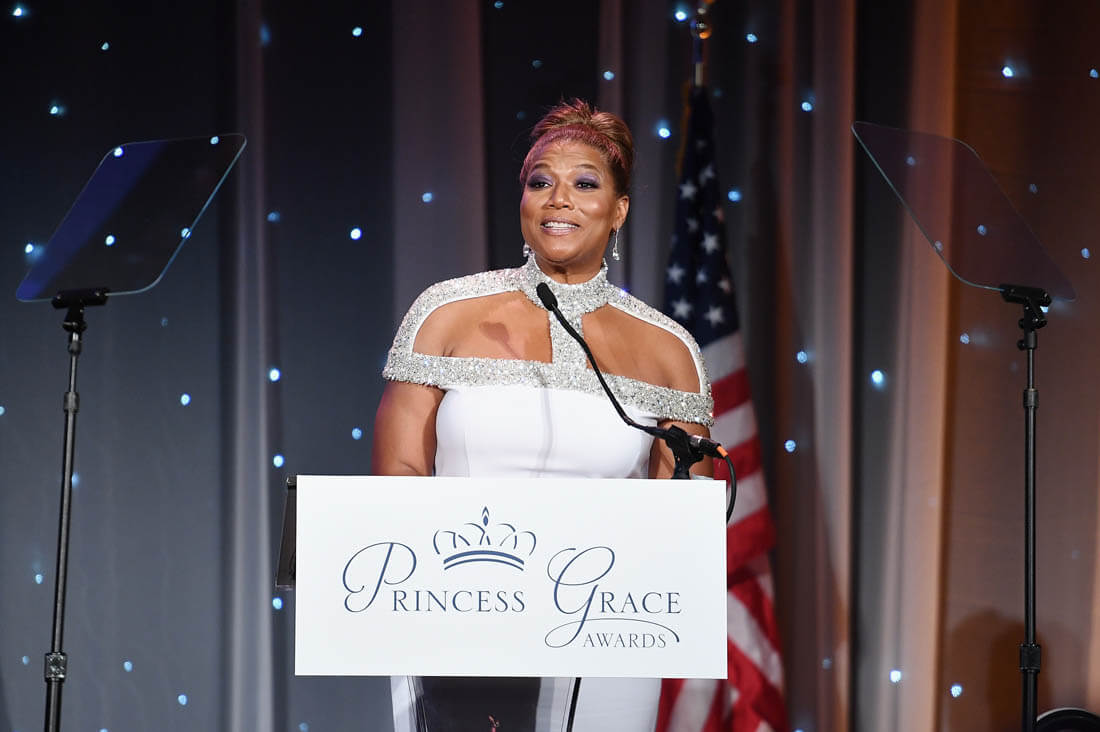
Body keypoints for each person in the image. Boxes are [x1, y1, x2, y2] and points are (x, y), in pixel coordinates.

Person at [372, 99, 714, 732]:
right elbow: (399, 475)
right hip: (460, 612)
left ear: (618, 210)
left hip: (607, 630)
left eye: (584, 184)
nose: (558, 199)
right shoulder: (446, 314)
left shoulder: (669, 350)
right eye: (540, 182)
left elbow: (683, 520)